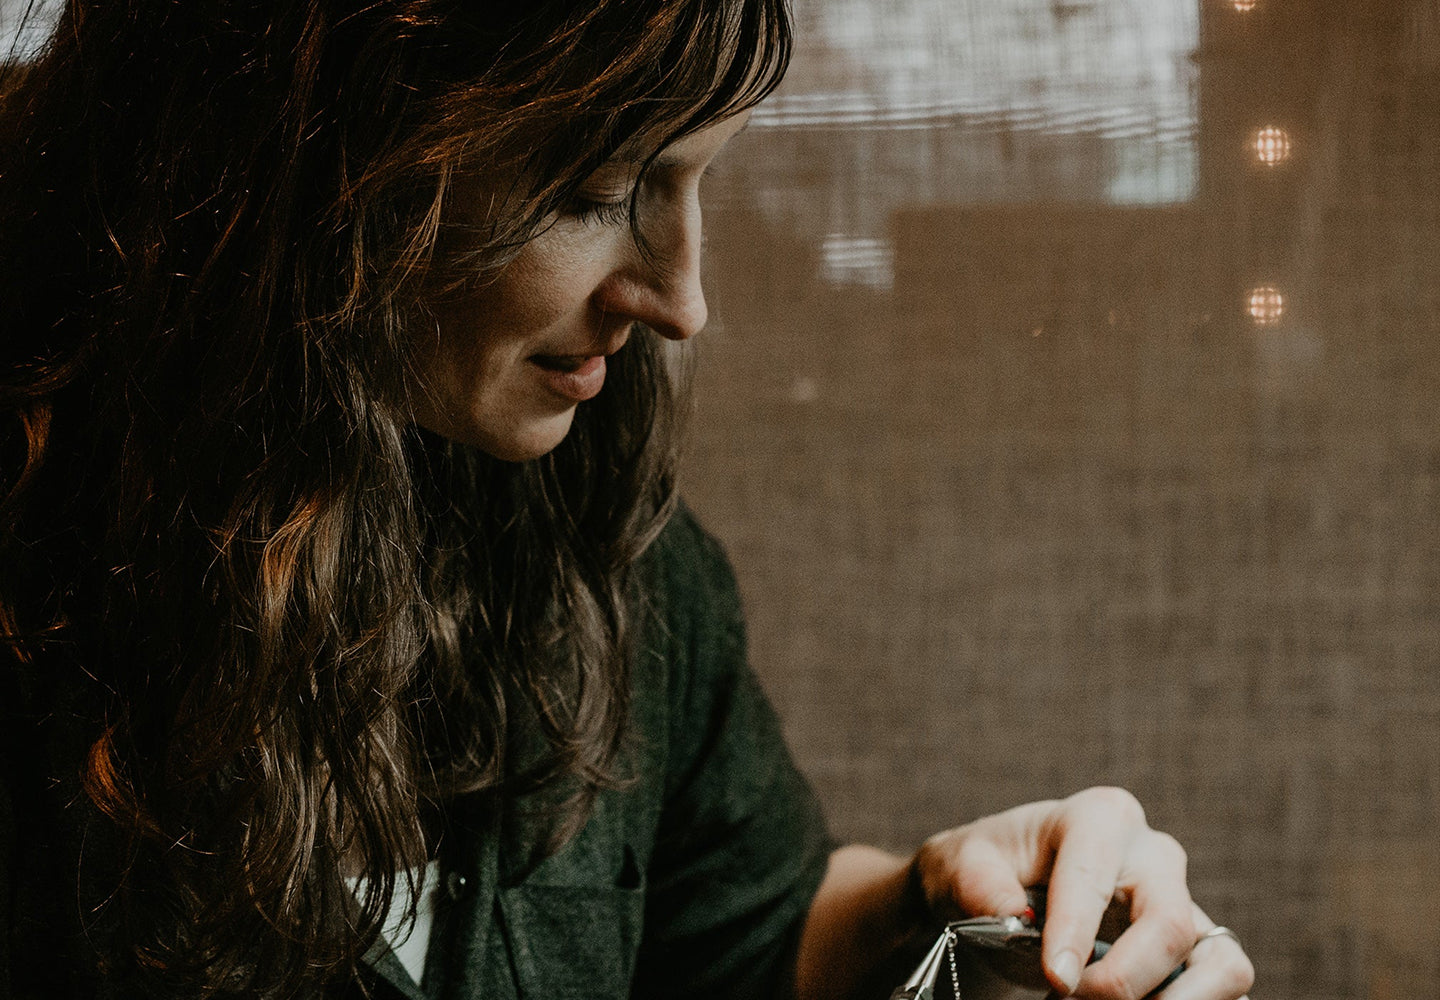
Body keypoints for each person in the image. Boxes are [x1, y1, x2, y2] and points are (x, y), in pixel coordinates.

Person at [0, 1, 1256, 998]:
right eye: (596, 190)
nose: (679, 298)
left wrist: (964, 901)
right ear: (313, 145)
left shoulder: (618, 559)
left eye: (694, 180)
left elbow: (750, 941)